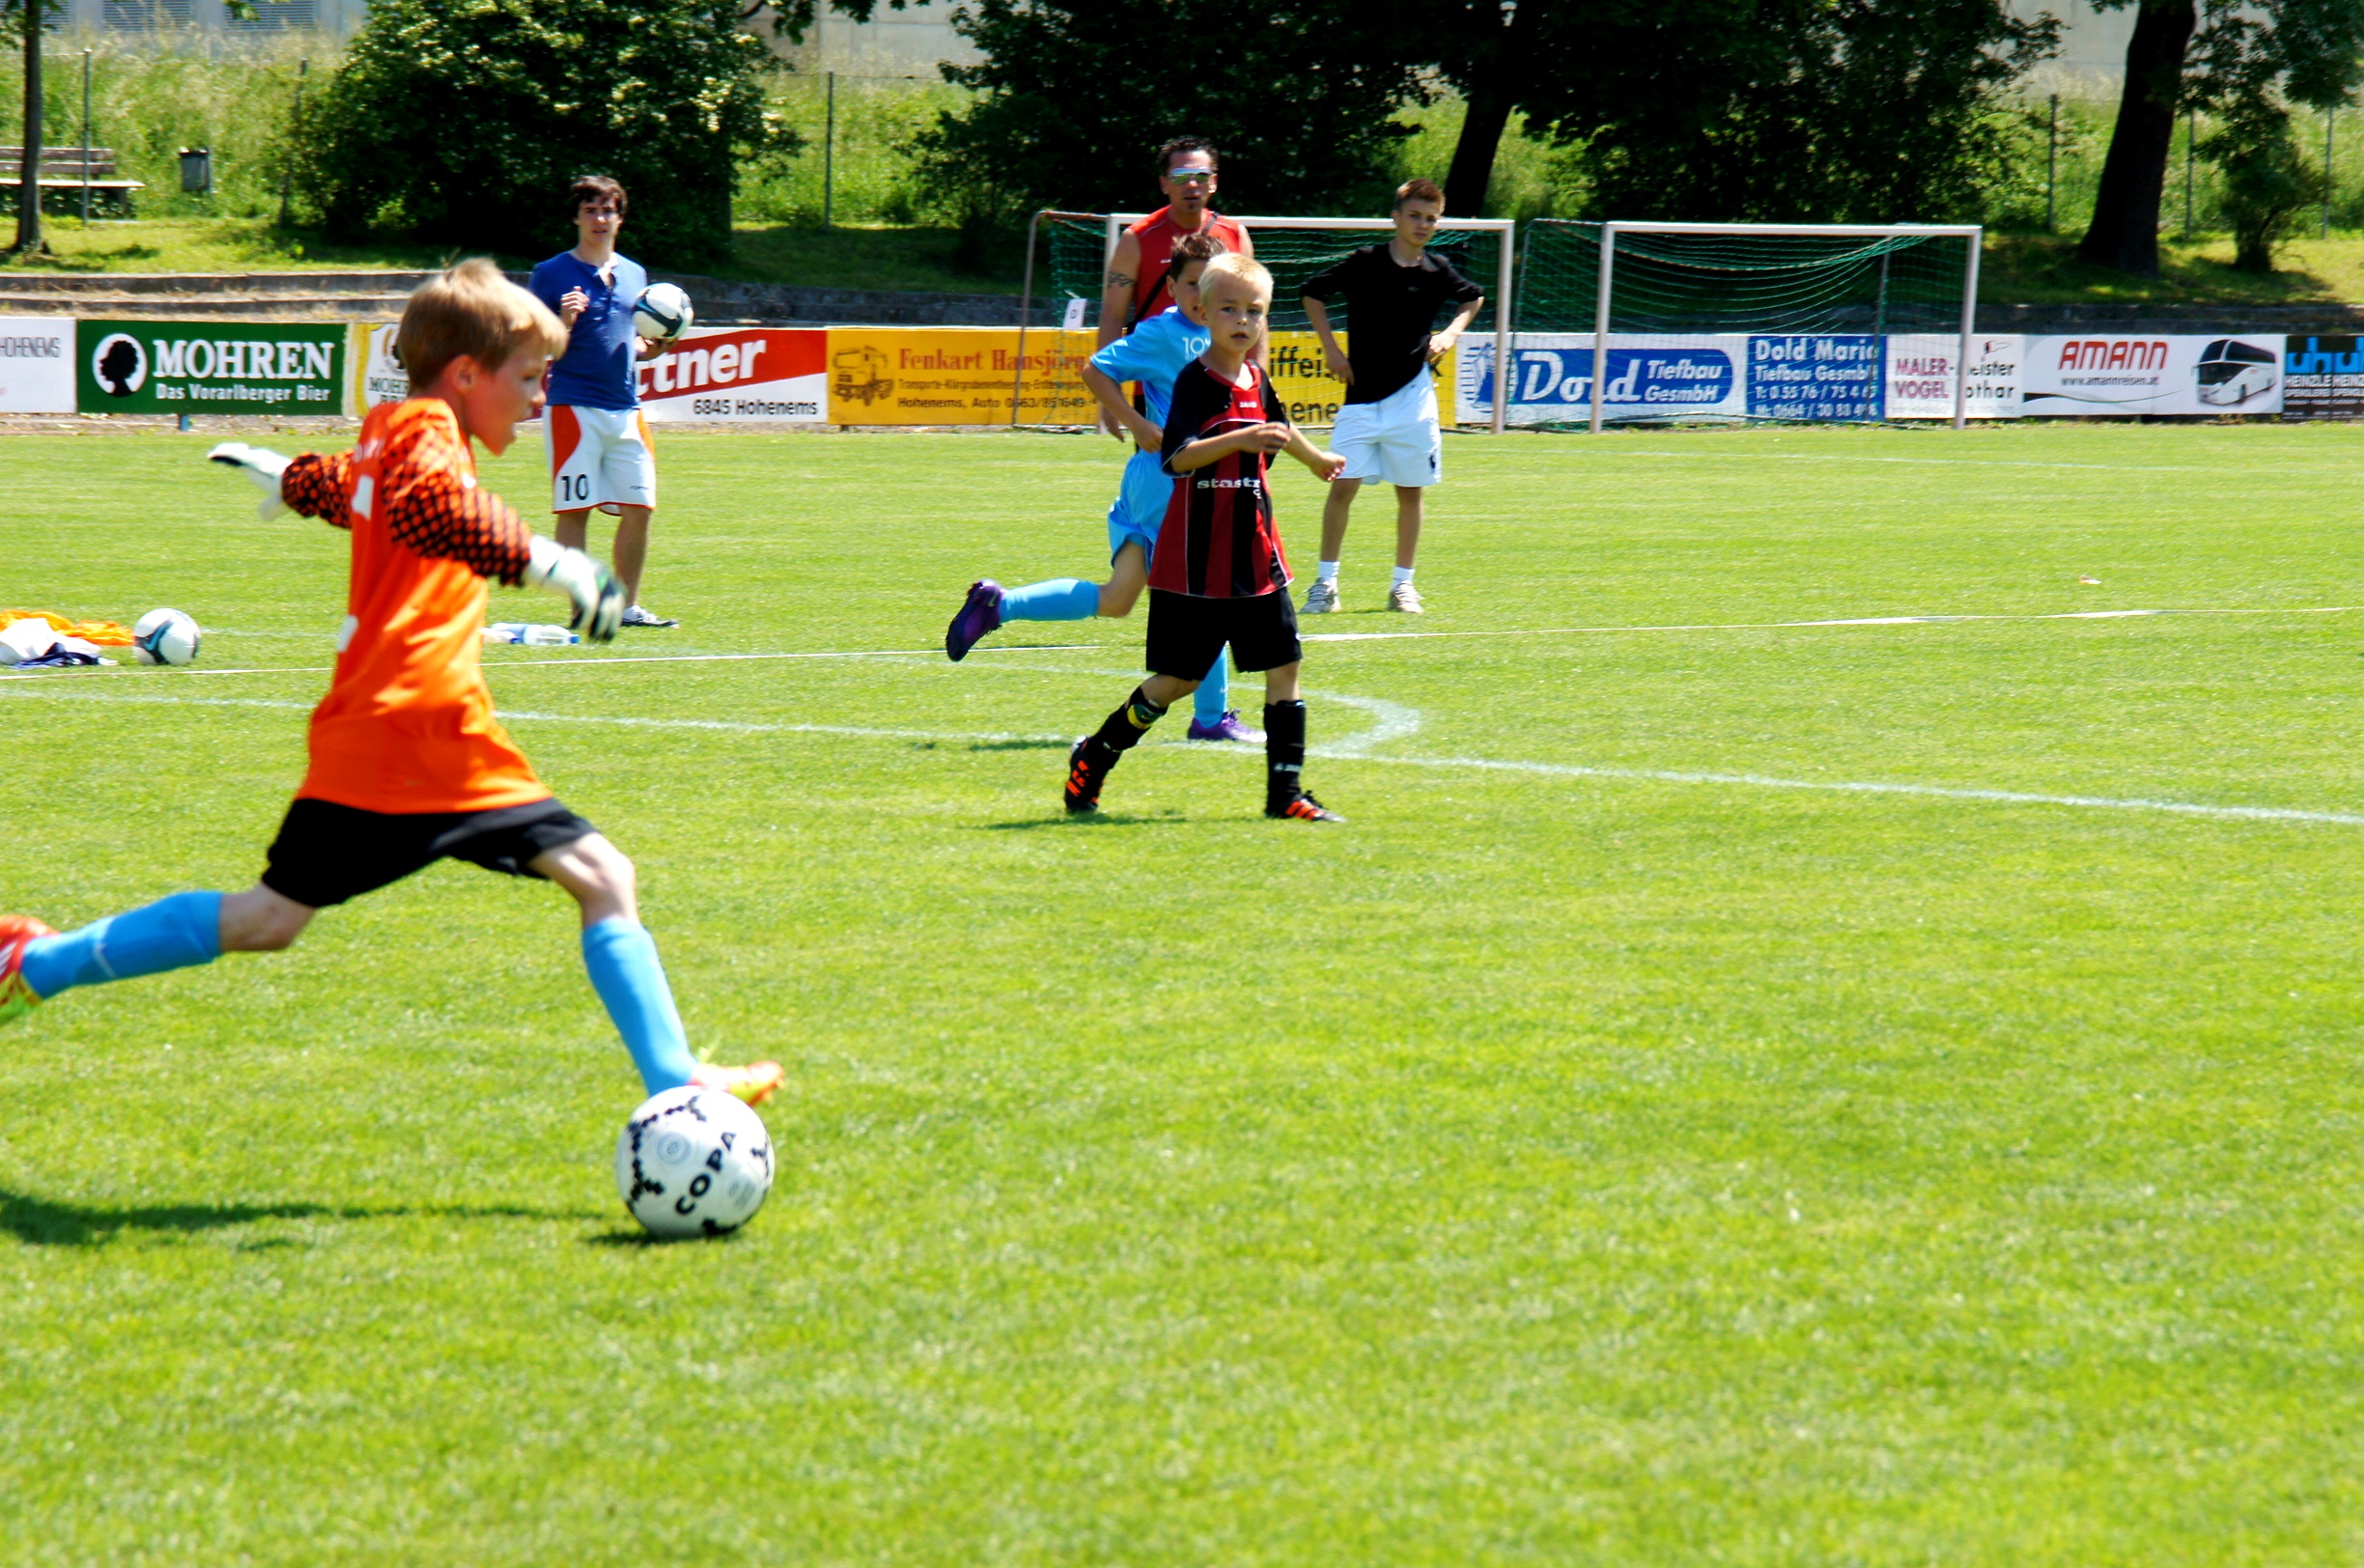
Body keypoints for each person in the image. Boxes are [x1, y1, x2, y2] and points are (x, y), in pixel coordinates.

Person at [0, 260, 783, 1108]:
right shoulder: (429, 437)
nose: (538, 398)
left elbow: (360, 486)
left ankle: (33, 963)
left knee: (272, 918)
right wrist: (550, 561)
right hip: (420, 725)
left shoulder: (396, 428)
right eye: (528, 378)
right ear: (466, 375)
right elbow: (429, 506)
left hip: (381, 726)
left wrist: (292, 478)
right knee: (600, 875)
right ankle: (677, 1079)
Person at [1061, 254, 1348, 824]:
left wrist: (1315, 459)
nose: (1243, 321)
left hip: (1256, 553)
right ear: (1203, 310)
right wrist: (1239, 439)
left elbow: (1278, 428)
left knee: (1285, 665)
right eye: (1229, 309)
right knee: (1177, 682)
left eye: (1254, 311)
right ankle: (1096, 755)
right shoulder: (1195, 380)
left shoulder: (1257, 379)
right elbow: (1177, 457)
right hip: (1196, 561)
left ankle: (1285, 794)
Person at [944, 235, 1257, 742]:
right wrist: (1135, 421)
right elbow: (1095, 369)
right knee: (1210, 593)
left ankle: (1000, 605)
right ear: (1172, 288)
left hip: (1154, 481)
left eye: (1213, 284)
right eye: (1192, 284)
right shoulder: (1167, 334)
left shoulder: (1221, 337)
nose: (1203, 295)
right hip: (1172, 485)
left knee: (1117, 598)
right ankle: (1210, 719)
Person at [1298, 178, 1485, 615]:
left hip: (1413, 399)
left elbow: (1473, 298)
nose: (1422, 224)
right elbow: (1312, 292)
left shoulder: (1438, 270)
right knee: (1342, 486)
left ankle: (1403, 586)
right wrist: (1331, 350)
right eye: (1414, 215)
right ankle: (1326, 584)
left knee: (1411, 492)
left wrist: (1451, 333)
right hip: (1361, 398)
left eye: (1431, 218)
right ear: (1395, 217)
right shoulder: (1365, 261)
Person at [527, 174, 682, 630]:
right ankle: (582, 607)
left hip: (627, 408)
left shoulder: (635, 275)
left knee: (640, 508)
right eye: (590, 210)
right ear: (576, 218)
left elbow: (631, 342)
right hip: (573, 408)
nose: (599, 219)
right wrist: (563, 320)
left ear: (620, 218)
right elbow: (534, 346)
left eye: (607, 211)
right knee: (574, 510)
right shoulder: (550, 273)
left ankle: (628, 607)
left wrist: (654, 349)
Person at [1094, 137, 1254, 440]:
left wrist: (1259, 383)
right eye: (1180, 177)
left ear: (1214, 182)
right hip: (1159, 388)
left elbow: (1255, 314)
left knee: (1226, 470)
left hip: (1225, 385)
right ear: (1164, 184)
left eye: (1201, 176)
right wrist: (1109, 397)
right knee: (1165, 470)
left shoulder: (1235, 235)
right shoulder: (1137, 238)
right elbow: (1113, 314)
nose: (1191, 184)